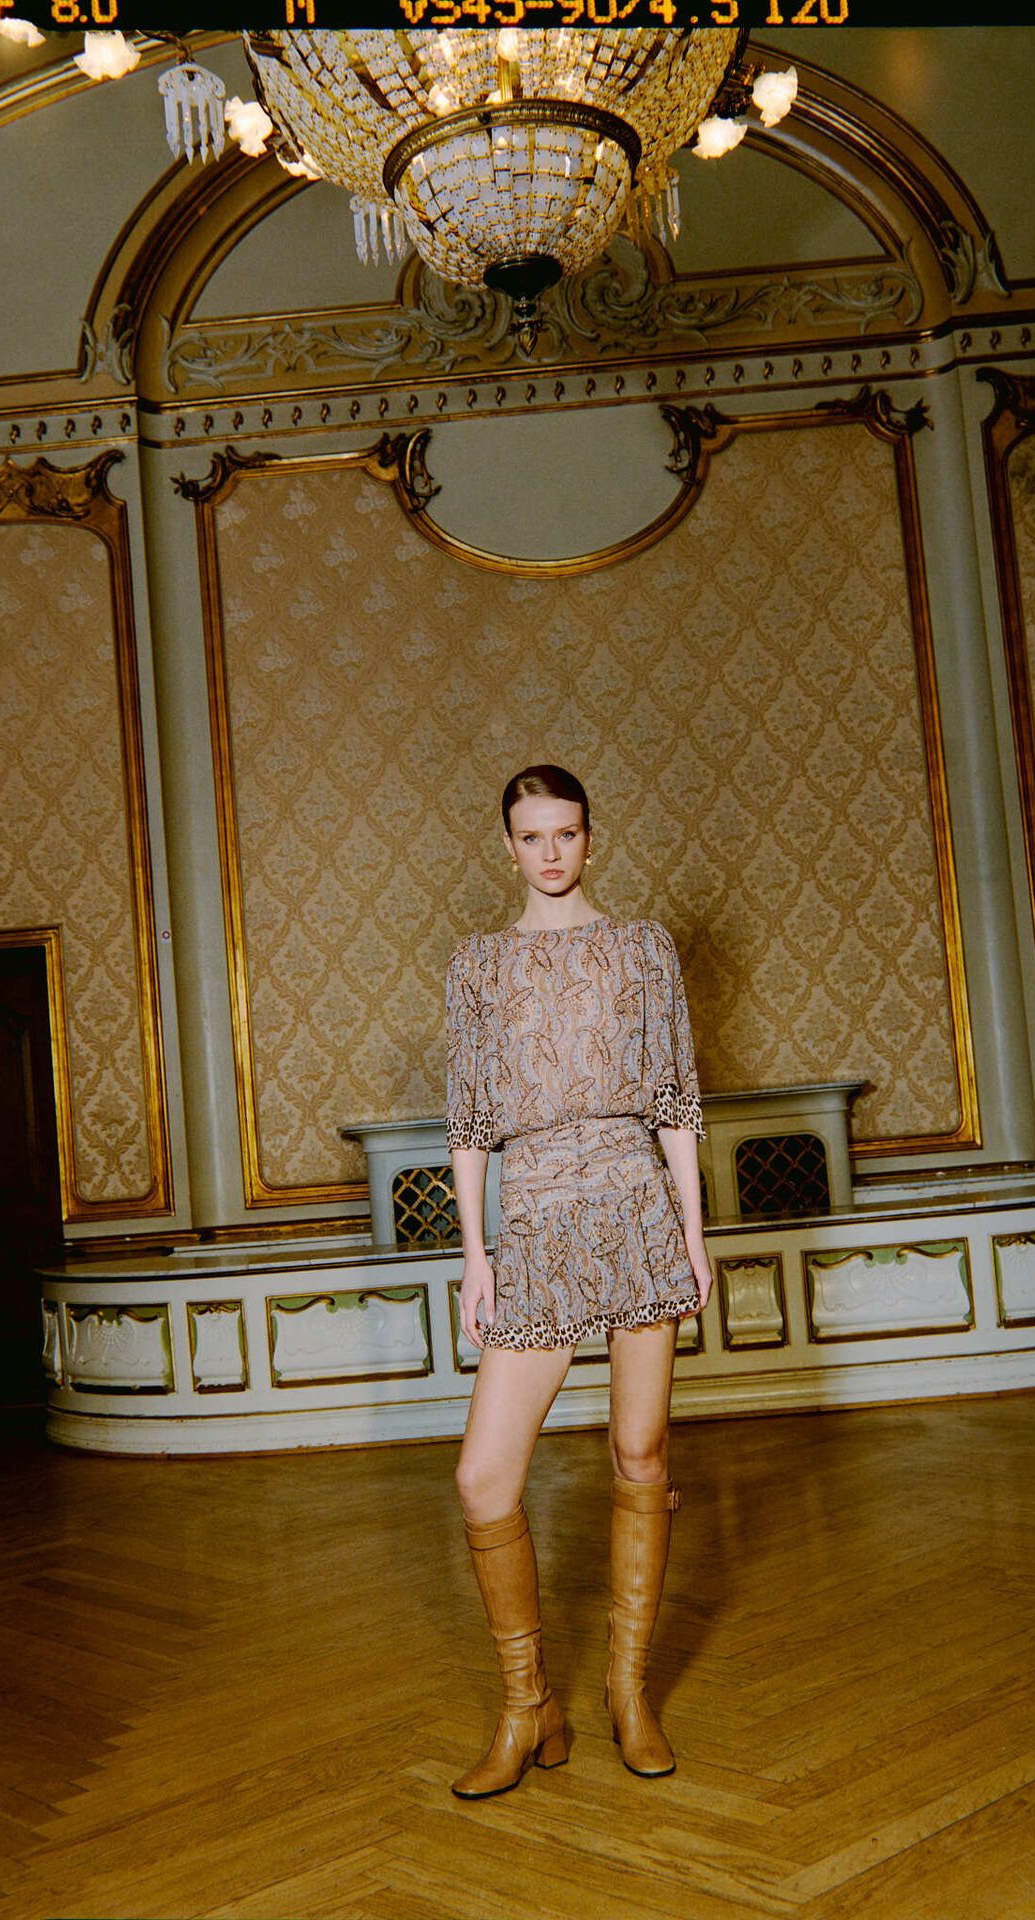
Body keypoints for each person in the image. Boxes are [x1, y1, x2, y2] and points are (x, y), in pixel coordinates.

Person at [443, 764, 714, 1799]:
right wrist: (477, 1252)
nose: (549, 852)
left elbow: (678, 1102)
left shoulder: (643, 946)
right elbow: (469, 1123)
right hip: (540, 1219)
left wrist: (693, 1239)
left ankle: (627, 1694)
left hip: (638, 1209)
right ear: (505, 847)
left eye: (565, 833)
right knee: (482, 1476)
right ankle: (529, 1706)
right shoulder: (478, 966)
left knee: (640, 1454)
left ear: (592, 839)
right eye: (530, 836)